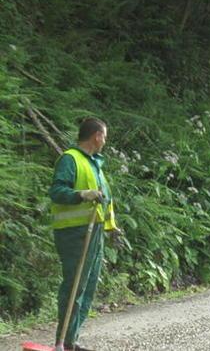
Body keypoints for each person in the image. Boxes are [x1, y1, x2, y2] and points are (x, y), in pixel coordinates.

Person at [49, 118, 120, 351]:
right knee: (74, 286)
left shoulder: (94, 164)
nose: (105, 142)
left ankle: (71, 340)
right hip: (74, 233)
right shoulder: (71, 160)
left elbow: (103, 201)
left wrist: (111, 227)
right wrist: (82, 194)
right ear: (97, 136)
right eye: (105, 137)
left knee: (88, 286)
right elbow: (57, 192)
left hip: (94, 231)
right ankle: (63, 341)